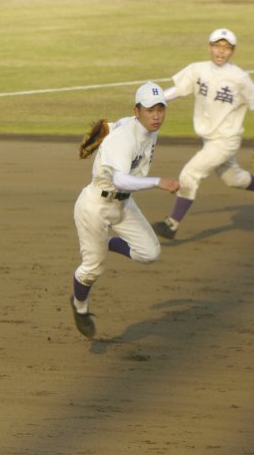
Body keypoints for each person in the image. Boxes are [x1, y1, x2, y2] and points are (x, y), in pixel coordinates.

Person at [70, 81, 180, 339]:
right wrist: (157, 182)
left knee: (149, 252)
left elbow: (122, 123)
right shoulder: (124, 139)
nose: (156, 116)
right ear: (137, 110)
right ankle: (80, 307)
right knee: (92, 269)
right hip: (95, 206)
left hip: (123, 204)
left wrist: (110, 126)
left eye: (160, 109)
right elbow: (119, 180)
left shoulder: (145, 128)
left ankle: (106, 243)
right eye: (150, 109)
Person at [151, 28, 254, 240]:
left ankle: (171, 225)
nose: (221, 52)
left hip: (226, 140)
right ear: (209, 47)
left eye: (226, 48)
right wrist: (155, 99)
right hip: (209, 138)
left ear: (233, 51)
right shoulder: (198, 70)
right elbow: (178, 90)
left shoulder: (239, 77)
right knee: (232, 178)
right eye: (217, 46)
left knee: (190, 173)